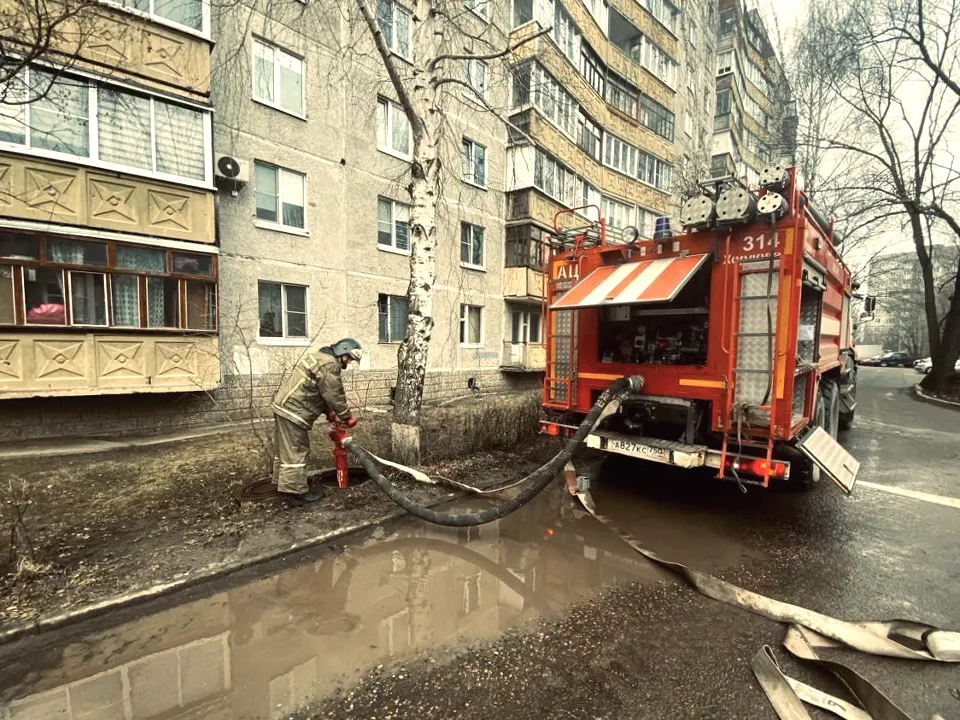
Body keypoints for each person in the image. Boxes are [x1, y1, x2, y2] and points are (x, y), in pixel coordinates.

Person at [271, 338, 363, 503]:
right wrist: (346, 417)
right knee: (296, 450)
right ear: (343, 351)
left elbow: (317, 389)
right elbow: (334, 394)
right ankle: (295, 493)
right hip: (294, 411)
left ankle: (284, 485)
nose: (349, 362)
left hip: (285, 406)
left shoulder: (320, 356)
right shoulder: (330, 364)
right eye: (349, 358)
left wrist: (328, 412)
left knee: (285, 451)